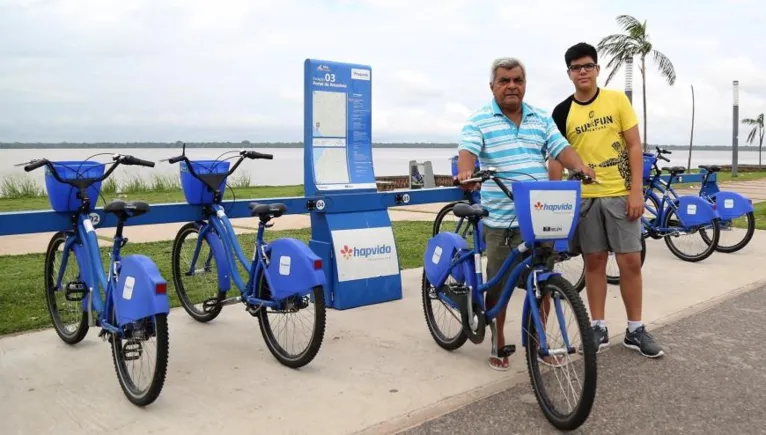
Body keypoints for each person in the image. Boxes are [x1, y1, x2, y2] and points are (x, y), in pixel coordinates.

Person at [456, 57, 595, 371]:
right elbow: (468, 150)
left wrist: (580, 166)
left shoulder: (541, 118)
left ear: (524, 85)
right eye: (504, 81)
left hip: (538, 215)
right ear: (492, 86)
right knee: (496, 285)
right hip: (501, 219)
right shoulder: (478, 120)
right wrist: (466, 172)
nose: (511, 86)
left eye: (517, 80)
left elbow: (560, 148)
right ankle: (497, 340)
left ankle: (539, 343)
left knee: (542, 282)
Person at [548, 42, 664, 358]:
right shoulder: (562, 111)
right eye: (575, 67)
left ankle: (635, 329)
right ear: (569, 73)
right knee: (594, 262)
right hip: (584, 198)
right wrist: (555, 197)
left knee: (630, 261)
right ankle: (597, 327)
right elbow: (557, 157)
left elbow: (634, 146)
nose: (582, 71)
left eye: (587, 65)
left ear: (597, 69)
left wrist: (636, 191)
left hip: (620, 195)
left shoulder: (616, 101)